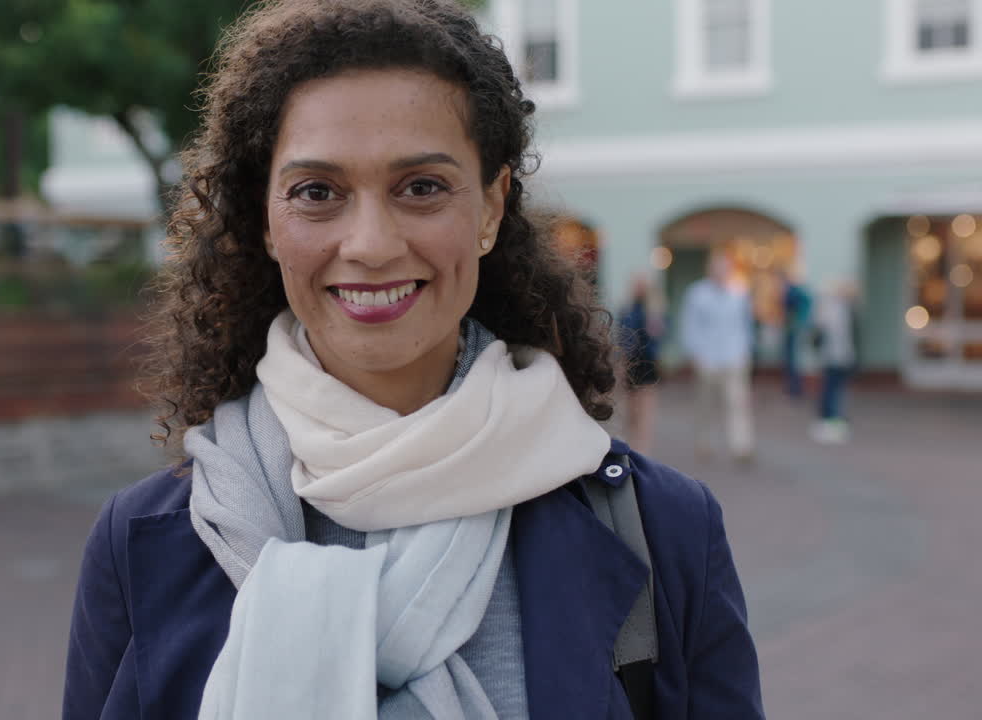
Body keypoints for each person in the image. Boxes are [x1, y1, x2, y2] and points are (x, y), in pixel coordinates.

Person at [63, 2, 764, 719]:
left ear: (491, 208)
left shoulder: (663, 531)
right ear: (266, 219)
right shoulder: (141, 547)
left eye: (421, 188)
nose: (370, 243)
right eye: (316, 193)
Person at [679, 252, 756, 464]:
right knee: (705, 405)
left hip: (734, 357)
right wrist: (694, 353)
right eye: (718, 267)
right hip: (707, 359)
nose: (722, 272)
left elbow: (745, 325)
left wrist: (746, 350)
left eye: (725, 268)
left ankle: (741, 446)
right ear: (710, 269)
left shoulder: (739, 292)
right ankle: (704, 443)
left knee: (737, 403)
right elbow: (690, 325)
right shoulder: (697, 293)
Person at [617, 271, 666, 454]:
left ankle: (642, 450)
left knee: (645, 413)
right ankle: (632, 446)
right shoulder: (627, 310)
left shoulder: (654, 311)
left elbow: (658, 336)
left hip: (648, 364)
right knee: (631, 413)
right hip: (631, 364)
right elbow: (622, 339)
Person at [810, 280, 860, 444]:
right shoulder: (837, 310)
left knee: (834, 391)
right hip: (836, 358)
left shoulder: (838, 309)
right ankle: (831, 422)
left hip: (837, 358)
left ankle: (832, 422)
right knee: (833, 391)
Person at [780, 269, 812, 398]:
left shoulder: (793, 292)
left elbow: (786, 305)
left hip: (794, 329)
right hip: (796, 328)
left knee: (792, 359)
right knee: (794, 359)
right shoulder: (802, 292)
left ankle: (794, 388)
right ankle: (794, 387)